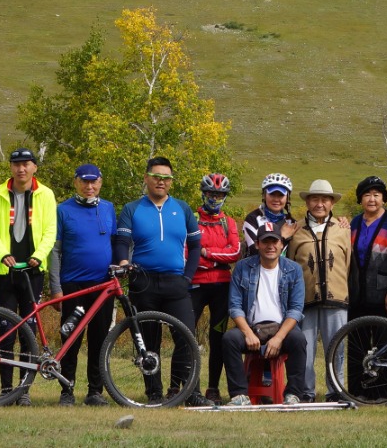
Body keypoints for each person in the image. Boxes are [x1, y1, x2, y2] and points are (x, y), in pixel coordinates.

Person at [115, 155, 209, 406]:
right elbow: (122, 241)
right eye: (156, 177)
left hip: (176, 282)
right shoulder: (132, 208)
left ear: (171, 181)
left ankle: (190, 392)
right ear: (146, 178)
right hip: (142, 282)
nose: (161, 182)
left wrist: (187, 277)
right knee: (148, 340)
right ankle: (154, 393)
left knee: (186, 337)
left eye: (166, 178)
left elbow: (196, 246)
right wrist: (123, 262)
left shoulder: (183, 208)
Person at [0, 147, 57, 406]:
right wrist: (2, 254)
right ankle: (6, 389)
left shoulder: (46, 194)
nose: (21, 169)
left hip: (33, 271)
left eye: (26, 164)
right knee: (6, 330)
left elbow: (50, 231)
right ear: (11, 168)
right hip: (5, 271)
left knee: (29, 332)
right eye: (16, 164)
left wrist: (39, 254)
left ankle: (24, 390)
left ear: (35, 167)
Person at [49, 163, 117, 407]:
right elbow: (55, 251)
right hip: (73, 285)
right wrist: (56, 287)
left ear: (100, 182)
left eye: (94, 181)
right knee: (71, 338)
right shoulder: (62, 210)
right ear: (76, 182)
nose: (89, 186)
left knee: (100, 339)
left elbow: (117, 242)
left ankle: (95, 392)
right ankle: (66, 390)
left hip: (103, 286)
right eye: (84, 181)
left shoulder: (108, 208)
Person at [222, 220, 308, 406]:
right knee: (230, 339)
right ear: (257, 244)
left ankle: (293, 395)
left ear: (281, 244)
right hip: (252, 329)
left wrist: (279, 337)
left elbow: (295, 309)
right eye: (265, 242)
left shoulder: (293, 269)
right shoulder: (243, 267)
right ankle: (239, 395)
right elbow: (235, 306)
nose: (270, 246)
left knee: (298, 339)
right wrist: (247, 333)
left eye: (274, 241)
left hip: (281, 329)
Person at [285, 179, 351, 402]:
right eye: (315, 199)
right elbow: (290, 264)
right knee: (305, 350)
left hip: (337, 299)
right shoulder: (296, 230)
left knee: (337, 349)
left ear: (332, 203)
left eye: (325, 199)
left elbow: (348, 263)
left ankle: (336, 391)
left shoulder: (343, 229)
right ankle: (306, 392)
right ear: (307, 202)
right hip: (305, 301)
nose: (319, 204)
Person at [347, 176, 387, 400]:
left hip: (384, 295)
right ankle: (357, 391)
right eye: (367, 195)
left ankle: (386, 392)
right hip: (357, 294)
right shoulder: (354, 223)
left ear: (384, 199)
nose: (372, 199)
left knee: (385, 343)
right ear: (360, 199)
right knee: (356, 344)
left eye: (377, 195)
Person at [191, 172, 240, 403]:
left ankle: (213, 387)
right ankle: (190, 387)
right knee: (186, 335)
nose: (215, 198)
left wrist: (206, 253)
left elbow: (235, 252)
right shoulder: (191, 219)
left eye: (219, 195)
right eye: (211, 193)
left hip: (221, 286)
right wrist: (214, 259)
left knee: (218, 337)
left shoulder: (228, 222)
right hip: (195, 285)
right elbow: (186, 254)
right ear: (204, 194)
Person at [243, 173, 297, 253]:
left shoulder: (291, 222)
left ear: (287, 198)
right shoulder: (253, 219)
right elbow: (254, 251)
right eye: (272, 194)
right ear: (264, 195)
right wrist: (282, 237)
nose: (276, 199)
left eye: (281, 195)